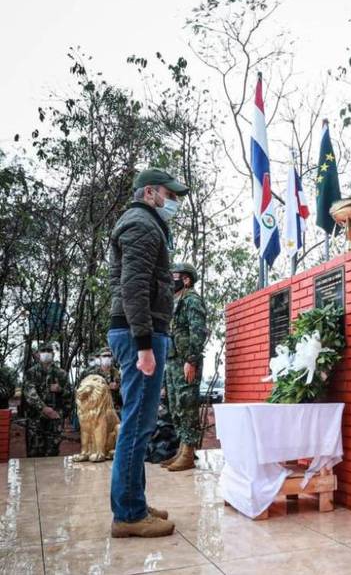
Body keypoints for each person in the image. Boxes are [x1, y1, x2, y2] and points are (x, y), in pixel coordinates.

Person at [107, 167, 188, 538]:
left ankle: (133, 501)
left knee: (139, 425)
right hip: (140, 333)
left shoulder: (146, 223)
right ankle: (128, 514)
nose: (173, 202)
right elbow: (134, 286)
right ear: (150, 192)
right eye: (169, 195)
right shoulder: (141, 223)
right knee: (138, 426)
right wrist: (143, 345)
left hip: (143, 331)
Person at [160, 263, 207, 472]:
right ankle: (182, 449)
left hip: (186, 360)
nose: (171, 280)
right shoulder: (174, 302)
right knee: (176, 405)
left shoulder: (192, 300)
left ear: (186, 279)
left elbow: (198, 331)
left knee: (187, 404)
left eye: (175, 276)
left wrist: (192, 360)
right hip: (172, 360)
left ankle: (188, 452)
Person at [22, 343, 72, 457]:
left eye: (49, 351)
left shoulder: (61, 374)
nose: (46, 353)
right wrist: (44, 408)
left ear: (53, 354)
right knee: (34, 452)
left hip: (55, 418)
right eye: (43, 351)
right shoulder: (31, 373)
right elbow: (30, 394)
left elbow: (69, 395)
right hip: (35, 418)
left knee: (52, 452)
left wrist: (60, 390)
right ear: (38, 354)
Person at [80, 347, 122, 413]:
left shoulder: (116, 373)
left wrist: (117, 388)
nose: (107, 358)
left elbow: (123, 393)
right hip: (95, 410)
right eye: (104, 356)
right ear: (100, 357)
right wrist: (107, 387)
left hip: (113, 410)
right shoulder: (91, 372)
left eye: (109, 356)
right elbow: (84, 390)